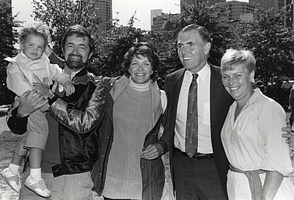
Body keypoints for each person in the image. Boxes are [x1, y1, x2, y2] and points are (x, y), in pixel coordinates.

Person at [6, 24, 109, 200]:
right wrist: (21, 112)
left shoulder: (96, 86)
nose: (75, 51)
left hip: (72, 178)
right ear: (62, 49)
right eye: (70, 45)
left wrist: (51, 99)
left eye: (82, 47)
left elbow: (84, 124)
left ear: (90, 54)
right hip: (34, 174)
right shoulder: (41, 71)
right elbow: (15, 127)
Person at [151, 24, 234, 199]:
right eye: (180, 45)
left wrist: (274, 128)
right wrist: (160, 146)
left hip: (215, 167)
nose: (183, 51)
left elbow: (248, 107)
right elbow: (168, 125)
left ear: (206, 47)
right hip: (182, 167)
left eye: (190, 44)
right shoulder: (172, 81)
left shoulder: (225, 79)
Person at [91, 42, 173, 200]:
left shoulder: (161, 98)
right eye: (135, 63)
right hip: (112, 181)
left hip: (144, 182)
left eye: (146, 64)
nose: (140, 69)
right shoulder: (111, 91)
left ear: (153, 69)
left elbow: (170, 133)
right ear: (128, 68)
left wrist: (161, 146)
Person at [1, 23, 74, 197]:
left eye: (40, 47)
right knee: (41, 130)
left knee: (30, 135)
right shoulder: (16, 65)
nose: (35, 50)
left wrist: (66, 81)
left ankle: (12, 168)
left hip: (39, 102)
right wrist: (39, 102)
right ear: (22, 44)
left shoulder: (44, 62)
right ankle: (34, 176)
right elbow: (20, 86)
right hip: (27, 100)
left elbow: (57, 71)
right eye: (31, 45)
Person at [220, 49, 294, 200]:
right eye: (225, 76)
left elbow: (277, 162)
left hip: (266, 190)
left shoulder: (268, 107)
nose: (231, 82)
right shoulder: (232, 108)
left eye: (237, 75)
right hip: (238, 188)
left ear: (251, 75)